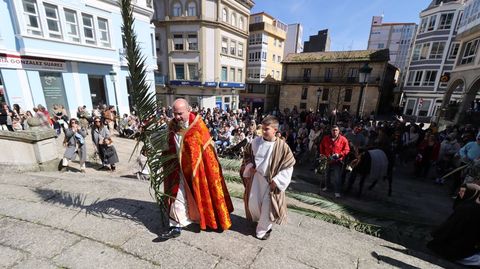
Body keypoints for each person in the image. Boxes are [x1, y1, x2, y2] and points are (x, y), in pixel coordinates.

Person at [160, 98, 233, 239]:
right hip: (178, 170)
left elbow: (208, 154)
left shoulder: (198, 126)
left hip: (197, 172)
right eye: (174, 113)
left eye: (180, 113)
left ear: (189, 110)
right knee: (177, 195)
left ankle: (210, 219)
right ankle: (175, 225)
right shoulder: (172, 126)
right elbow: (167, 145)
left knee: (202, 194)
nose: (177, 117)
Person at [240, 115, 295, 240]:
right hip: (257, 179)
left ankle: (263, 231)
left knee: (267, 208)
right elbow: (247, 154)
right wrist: (250, 166)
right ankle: (258, 222)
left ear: (275, 130)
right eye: (262, 129)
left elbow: (289, 166)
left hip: (271, 182)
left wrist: (276, 181)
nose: (263, 132)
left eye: (266, 129)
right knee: (253, 204)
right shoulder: (256, 142)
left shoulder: (282, 147)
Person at [319, 125, 350, 198]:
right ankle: (327, 187)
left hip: (337, 161)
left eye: (336, 130)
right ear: (331, 131)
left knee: (337, 177)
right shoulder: (326, 138)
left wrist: (340, 155)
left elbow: (347, 150)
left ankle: (337, 191)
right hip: (327, 159)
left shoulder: (343, 139)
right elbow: (321, 146)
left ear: (339, 131)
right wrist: (322, 155)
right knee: (327, 175)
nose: (334, 131)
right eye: (333, 130)